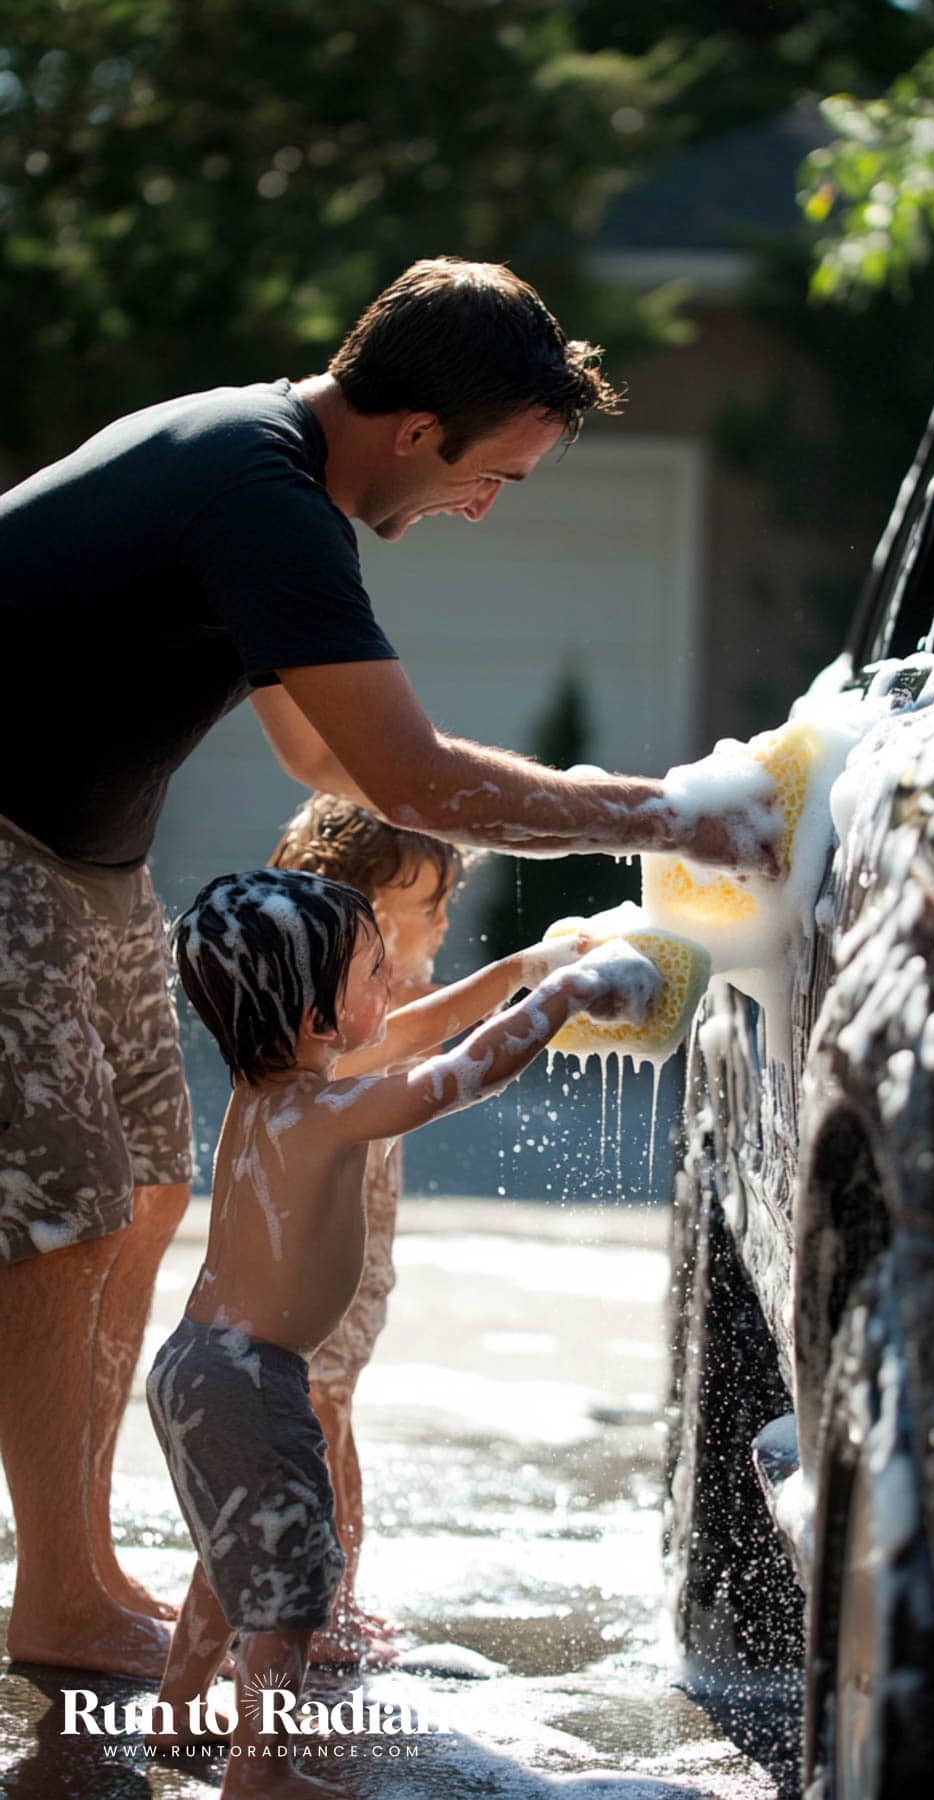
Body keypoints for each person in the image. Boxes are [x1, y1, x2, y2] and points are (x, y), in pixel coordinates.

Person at [0, 255, 779, 1678]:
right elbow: (405, 772)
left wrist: (529, 884)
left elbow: (326, 758)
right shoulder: (260, 489)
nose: (483, 507)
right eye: (497, 476)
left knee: (150, 1185)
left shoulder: (259, 472)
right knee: (59, 1214)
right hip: (7, 849)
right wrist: (669, 816)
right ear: (420, 432)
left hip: (84, 859)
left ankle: (78, 1562)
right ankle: (60, 1590)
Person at [144, 866, 654, 1796]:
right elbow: (451, 1078)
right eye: (373, 973)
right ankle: (260, 1775)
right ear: (316, 1022)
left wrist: (522, 967)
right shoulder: (325, 1108)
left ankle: (177, 1718)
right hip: (248, 1376)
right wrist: (565, 1000)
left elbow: (417, 1033)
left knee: (233, 1555)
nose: (394, 988)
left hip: (196, 1364)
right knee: (291, 1583)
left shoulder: (280, 1091)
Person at [268, 795, 496, 1665]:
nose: (445, 922)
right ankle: (311, 1611)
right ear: (353, 918)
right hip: (309, 1260)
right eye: (428, 906)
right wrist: (519, 987)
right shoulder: (320, 1023)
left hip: (357, 1252)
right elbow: (419, 1040)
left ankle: (332, 1600)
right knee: (316, 1411)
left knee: (333, 1405)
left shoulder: (374, 994)